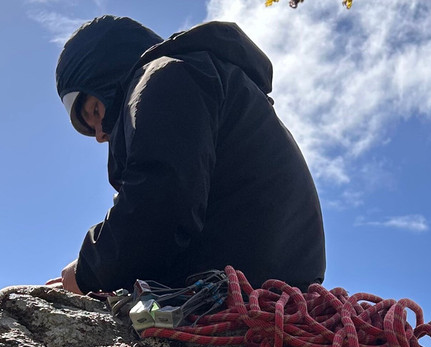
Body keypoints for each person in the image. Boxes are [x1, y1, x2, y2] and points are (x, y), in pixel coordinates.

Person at [52, 16, 326, 295]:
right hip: (275, 286)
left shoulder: (164, 77)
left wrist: (87, 272)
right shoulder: (207, 76)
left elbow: (160, 205)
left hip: (235, 289)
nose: (99, 135)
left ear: (113, 73)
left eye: (96, 112)